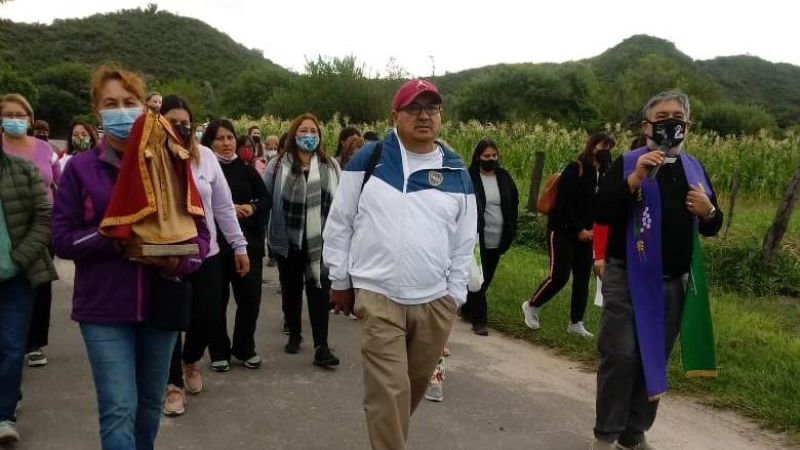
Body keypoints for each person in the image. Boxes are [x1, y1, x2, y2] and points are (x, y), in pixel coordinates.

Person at [51, 65, 210, 450]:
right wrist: (118, 239)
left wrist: (178, 262)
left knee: (148, 409)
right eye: (111, 103)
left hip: (161, 306)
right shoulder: (81, 169)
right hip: (104, 310)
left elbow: (201, 238)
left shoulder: (172, 162)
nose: (121, 110)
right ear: (97, 110)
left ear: (143, 107)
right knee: (119, 410)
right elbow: (61, 238)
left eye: (129, 102)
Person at [323, 79, 476, 450]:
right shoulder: (370, 160)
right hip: (379, 297)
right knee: (389, 392)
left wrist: (453, 295)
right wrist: (340, 279)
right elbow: (340, 222)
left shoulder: (456, 171)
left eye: (432, 108)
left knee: (409, 391)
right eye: (414, 108)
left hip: (434, 302)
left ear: (441, 116)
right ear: (395, 116)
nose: (424, 116)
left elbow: (464, 241)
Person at [591, 92, 723, 450]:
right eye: (661, 115)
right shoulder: (628, 162)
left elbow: (712, 226)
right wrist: (634, 180)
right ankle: (606, 434)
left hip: (673, 284)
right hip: (627, 277)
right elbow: (602, 213)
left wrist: (709, 211)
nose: (670, 121)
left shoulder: (694, 169)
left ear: (687, 125)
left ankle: (634, 432)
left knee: (654, 359)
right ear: (646, 125)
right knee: (620, 355)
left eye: (677, 116)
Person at [160, 97, 249, 417]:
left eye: (186, 122)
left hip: (206, 251)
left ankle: (190, 360)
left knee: (209, 314)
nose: (181, 127)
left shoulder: (207, 157)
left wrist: (239, 246)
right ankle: (172, 385)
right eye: (173, 120)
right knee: (170, 320)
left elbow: (223, 207)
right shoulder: (152, 156)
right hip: (166, 253)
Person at [264, 113, 341, 368]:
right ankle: (295, 333)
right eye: (303, 131)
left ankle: (322, 346)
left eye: (313, 131)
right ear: (294, 134)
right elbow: (265, 198)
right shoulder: (277, 164)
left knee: (319, 290)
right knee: (291, 289)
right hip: (288, 238)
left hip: (320, 240)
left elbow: (340, 203)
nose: (309, 135)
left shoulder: (330, 165)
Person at [522, 132, 616, 338]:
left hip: (589, 235)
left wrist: (594, 231)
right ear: (592, 147)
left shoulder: (606, 175)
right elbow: (562, 204)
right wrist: (578, 229)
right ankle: (532, 305)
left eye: (610, 147)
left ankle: (576, 322)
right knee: (559, 276)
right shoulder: (576, 169)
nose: (606, 151)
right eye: (603, 145)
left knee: (582, 279)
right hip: (563, 231)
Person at [0, 131, 58, 445]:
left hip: (15, 276)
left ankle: (4, 415)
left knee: (11, 346)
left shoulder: (23, 170)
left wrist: (22, 257)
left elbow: (44, 216)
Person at [1, 94, 62, 368]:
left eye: (20, 115)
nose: (15, 120)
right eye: (9, 114)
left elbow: (60, 183)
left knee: (39, 287)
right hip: (7, 229)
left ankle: (34, 343)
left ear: (30, 119)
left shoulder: (44, 149)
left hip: (40, 228)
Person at [204, 119, 268, 373]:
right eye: (220, 138)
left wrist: (251, 207)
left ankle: (244, 347)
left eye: (230, 137)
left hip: (247, 245)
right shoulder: (203, 170)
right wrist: (229, 209)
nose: (226, 143)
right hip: (215, 247)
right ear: (209, 142)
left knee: (250, 298)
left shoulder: (246, 169)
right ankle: (218, 351)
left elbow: (265, 199)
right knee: (216, 301)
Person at [462, 139, 519, 336]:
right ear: (478, 157)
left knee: (485, 277)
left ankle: (468, 308)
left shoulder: (504, 177)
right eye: (487, 156)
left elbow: (513, 203)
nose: (491, 159)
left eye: (494, 156)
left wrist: (512, 228)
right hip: (476, 237)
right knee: (479, 276)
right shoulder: (469, 177)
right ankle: (480, 320)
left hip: (498, 237)